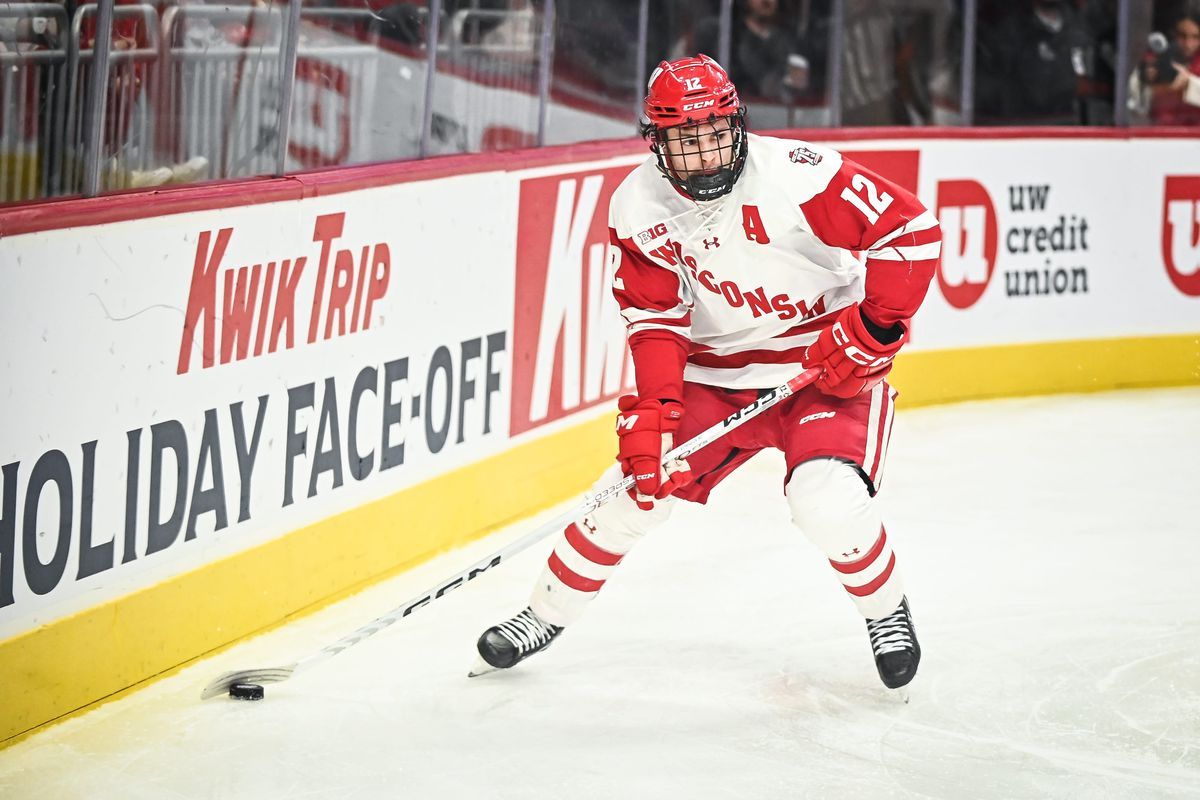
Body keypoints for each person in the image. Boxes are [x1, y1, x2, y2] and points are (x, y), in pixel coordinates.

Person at [472, 55, 941, 695]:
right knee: (629, 492)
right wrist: (654, 408)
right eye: (685, 140)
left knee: (825, 500)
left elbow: (910, 230)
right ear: (656, 140)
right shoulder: (637, 203)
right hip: (714, 377)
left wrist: (876, 329)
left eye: (716, 132)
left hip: (819, 371)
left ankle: (886, 612)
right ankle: (542, 613)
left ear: (738, 124)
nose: (705, 154)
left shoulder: (796, 177)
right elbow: (657, 318)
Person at [1130, 11, 1200, 125]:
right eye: (1183, 36)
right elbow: (1133, 103)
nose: (1189, 43)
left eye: (1196, 37)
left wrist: (1189, 84)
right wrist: (1146, 81)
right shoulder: (1155, 59)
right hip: (1161, 134)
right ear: (1173, 35)